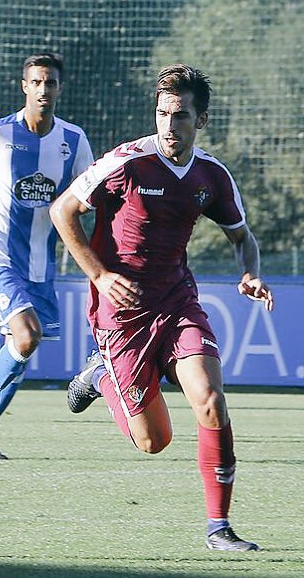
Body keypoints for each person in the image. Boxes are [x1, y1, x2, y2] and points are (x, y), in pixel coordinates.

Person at [50, 64, 274, 552]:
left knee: (212, 402)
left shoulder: (211, 176)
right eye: (163, 113)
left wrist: (250, 272)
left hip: (176, 301)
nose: (169, 125)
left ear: (202, 121)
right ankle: (101, 375)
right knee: (154, 442)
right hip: (122, 311)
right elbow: (62, 210)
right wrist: (100, 275)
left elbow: (242, 237)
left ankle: (219, 527)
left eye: (181, 115)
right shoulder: (127, 163)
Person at [0, 52, 93, 460]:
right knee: (25, 337)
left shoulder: (73, 140)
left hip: (41, 265)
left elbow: (89, 193)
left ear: (60, 88)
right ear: (24, 86)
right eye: (36, 82)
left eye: (51, 83)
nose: (43, 90)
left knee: (22, 350)